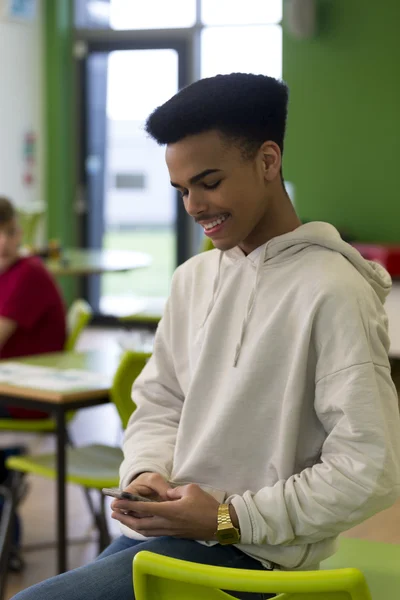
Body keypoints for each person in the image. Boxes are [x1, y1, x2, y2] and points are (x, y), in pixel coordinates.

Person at [12, 73, 400, 600]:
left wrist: (226, 518)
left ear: (268, 161)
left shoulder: (334, 290)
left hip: (256, 560)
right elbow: (161, 400)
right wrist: (148, 471)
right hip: (179, 534)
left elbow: (369, 469)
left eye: (209, 182)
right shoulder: (193, 278)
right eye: (182, 189)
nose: (194, 205)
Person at [0, 197, 66, 419]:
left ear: (19, 233)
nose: (3, 242)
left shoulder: (27, 274)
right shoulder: (8, 272)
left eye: (9, 232)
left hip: (28, 394)